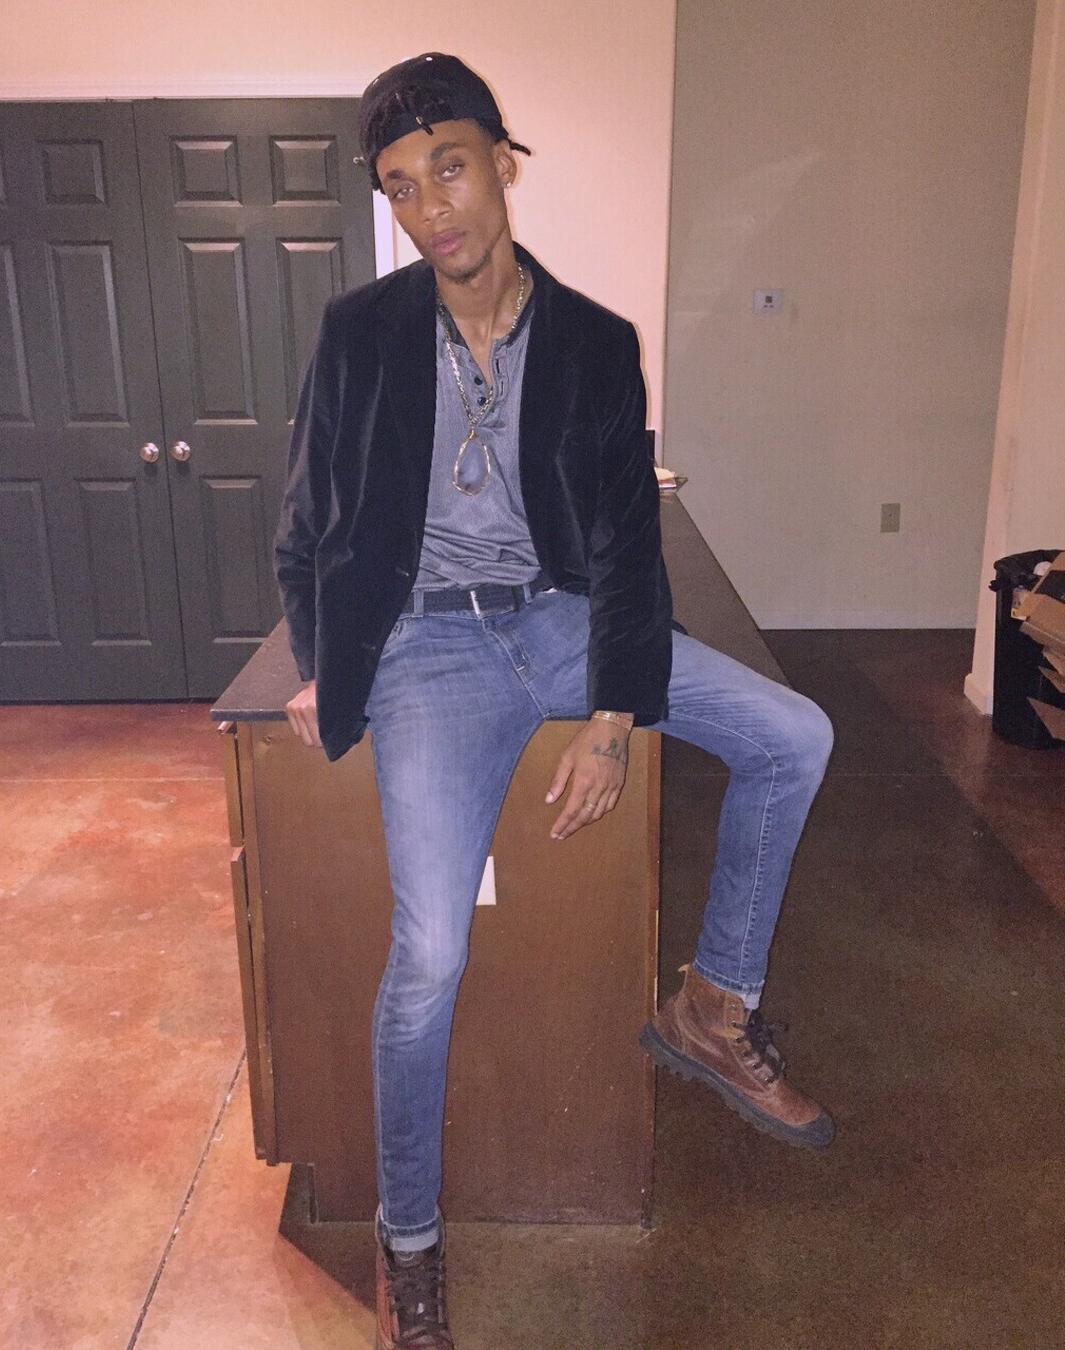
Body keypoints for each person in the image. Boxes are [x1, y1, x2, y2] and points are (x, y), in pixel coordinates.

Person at [274, 52, 835, 1350]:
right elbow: (306, 527)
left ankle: (712, 1006)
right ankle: (409, 1242)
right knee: (430, 954)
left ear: (504, 163)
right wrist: (321, 657)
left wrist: (614, 716)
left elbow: (628, 549)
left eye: (450, 168)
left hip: (563, 620)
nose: (432, 207)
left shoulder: (591, 341)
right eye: (401, 187)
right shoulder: (360, 335)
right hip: (427, 650)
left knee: (794, 736)